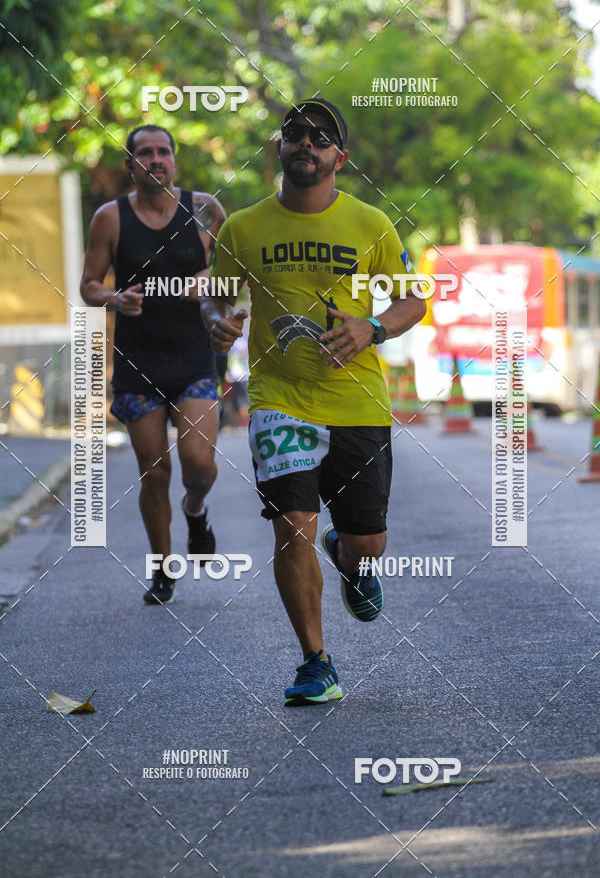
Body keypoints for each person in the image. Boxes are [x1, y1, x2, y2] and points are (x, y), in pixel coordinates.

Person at [201, 98, 426, 704]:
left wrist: (370, 328)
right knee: (291, 525)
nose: (306, 142)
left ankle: (351, 559)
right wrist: (219, 324)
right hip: (279, 398)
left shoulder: (372, 224)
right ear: (279, 147)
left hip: (357, 400)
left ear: (340, 157)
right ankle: (315, 662)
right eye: (295, 133)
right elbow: (218, 299)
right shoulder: (245, 227)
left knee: (368, 542)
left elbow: (413, 303)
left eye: (321, 136)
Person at [80, 124, 225, 605]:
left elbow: (231, 272)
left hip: (194, 360)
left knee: (198, 463)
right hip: (137, 365)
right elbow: (88, 285)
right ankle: (163, 571)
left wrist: (209, 281)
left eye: (164, 151)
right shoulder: (110, 218)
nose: (156, 159)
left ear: (175, 161)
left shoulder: (204, 209)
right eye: (145, 153)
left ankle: (196, 507)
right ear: (131, 165)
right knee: (154, 469)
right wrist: (115, 298)